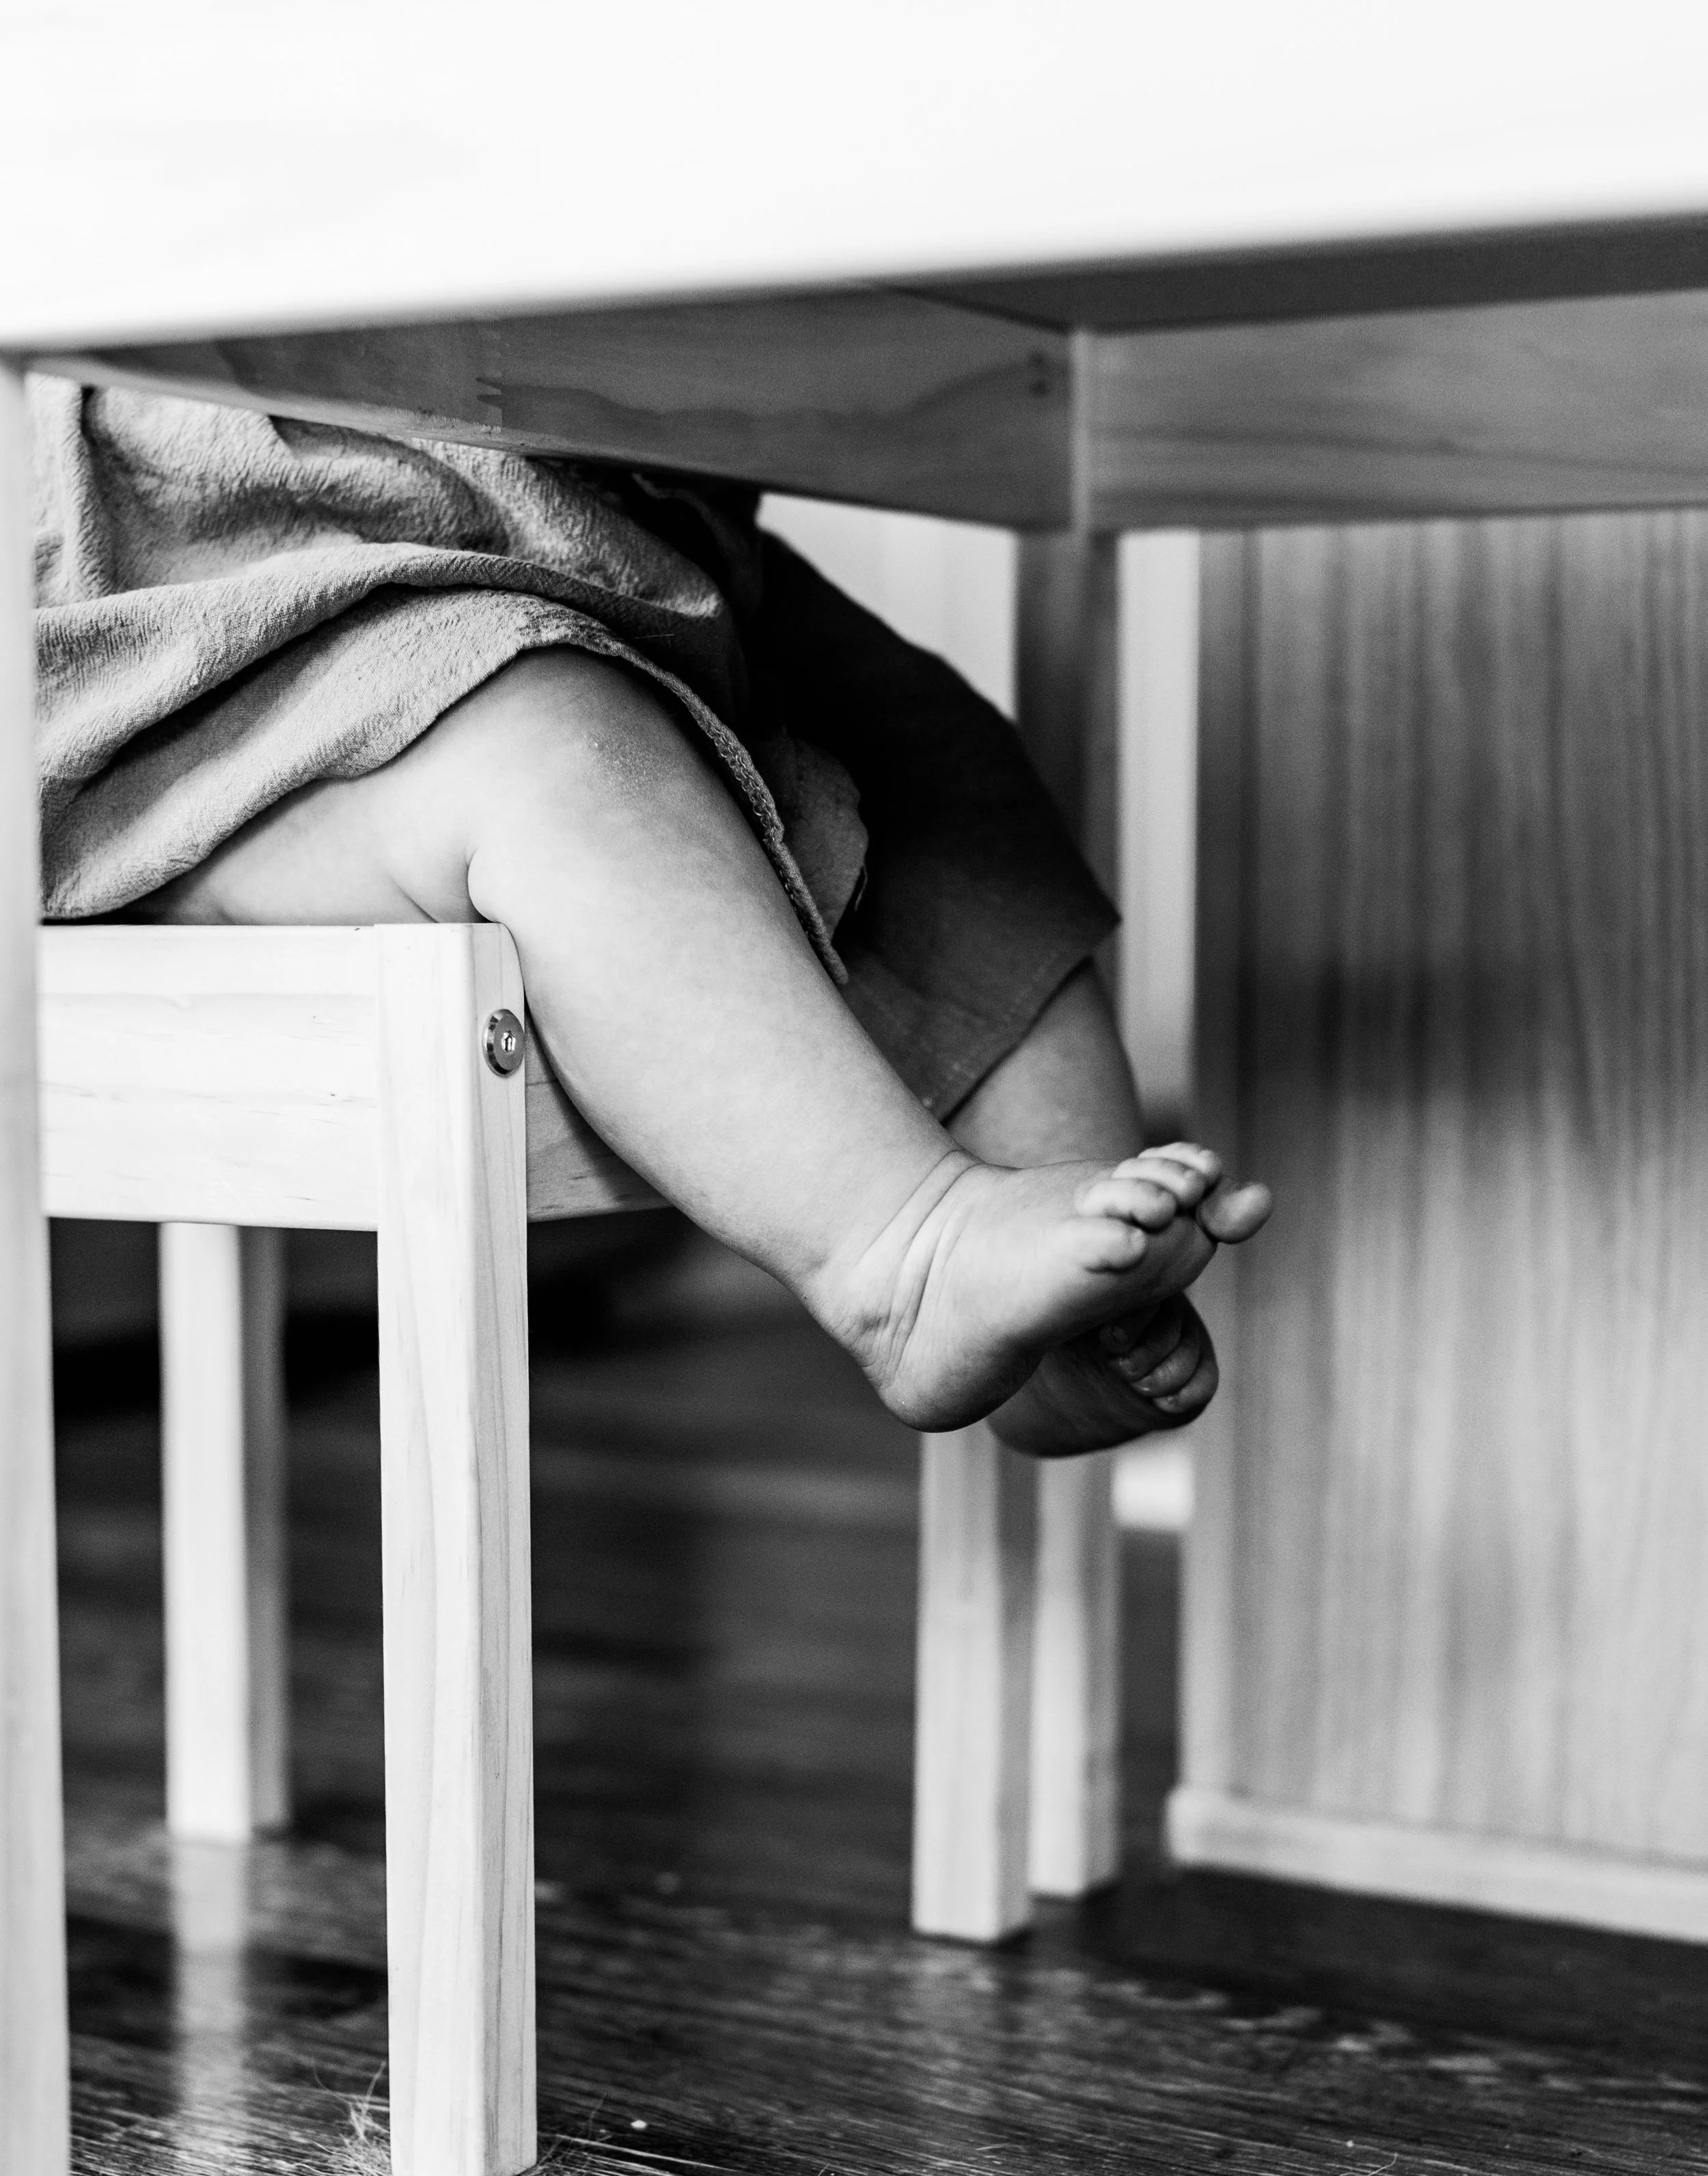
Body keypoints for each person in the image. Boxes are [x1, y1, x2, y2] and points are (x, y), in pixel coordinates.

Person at [33, 383, 1269, 1448]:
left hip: (594, 520)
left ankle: (1064, 1301)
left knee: (929, 767)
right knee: (548, 747)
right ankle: (905, 1250)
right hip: (207, 614)